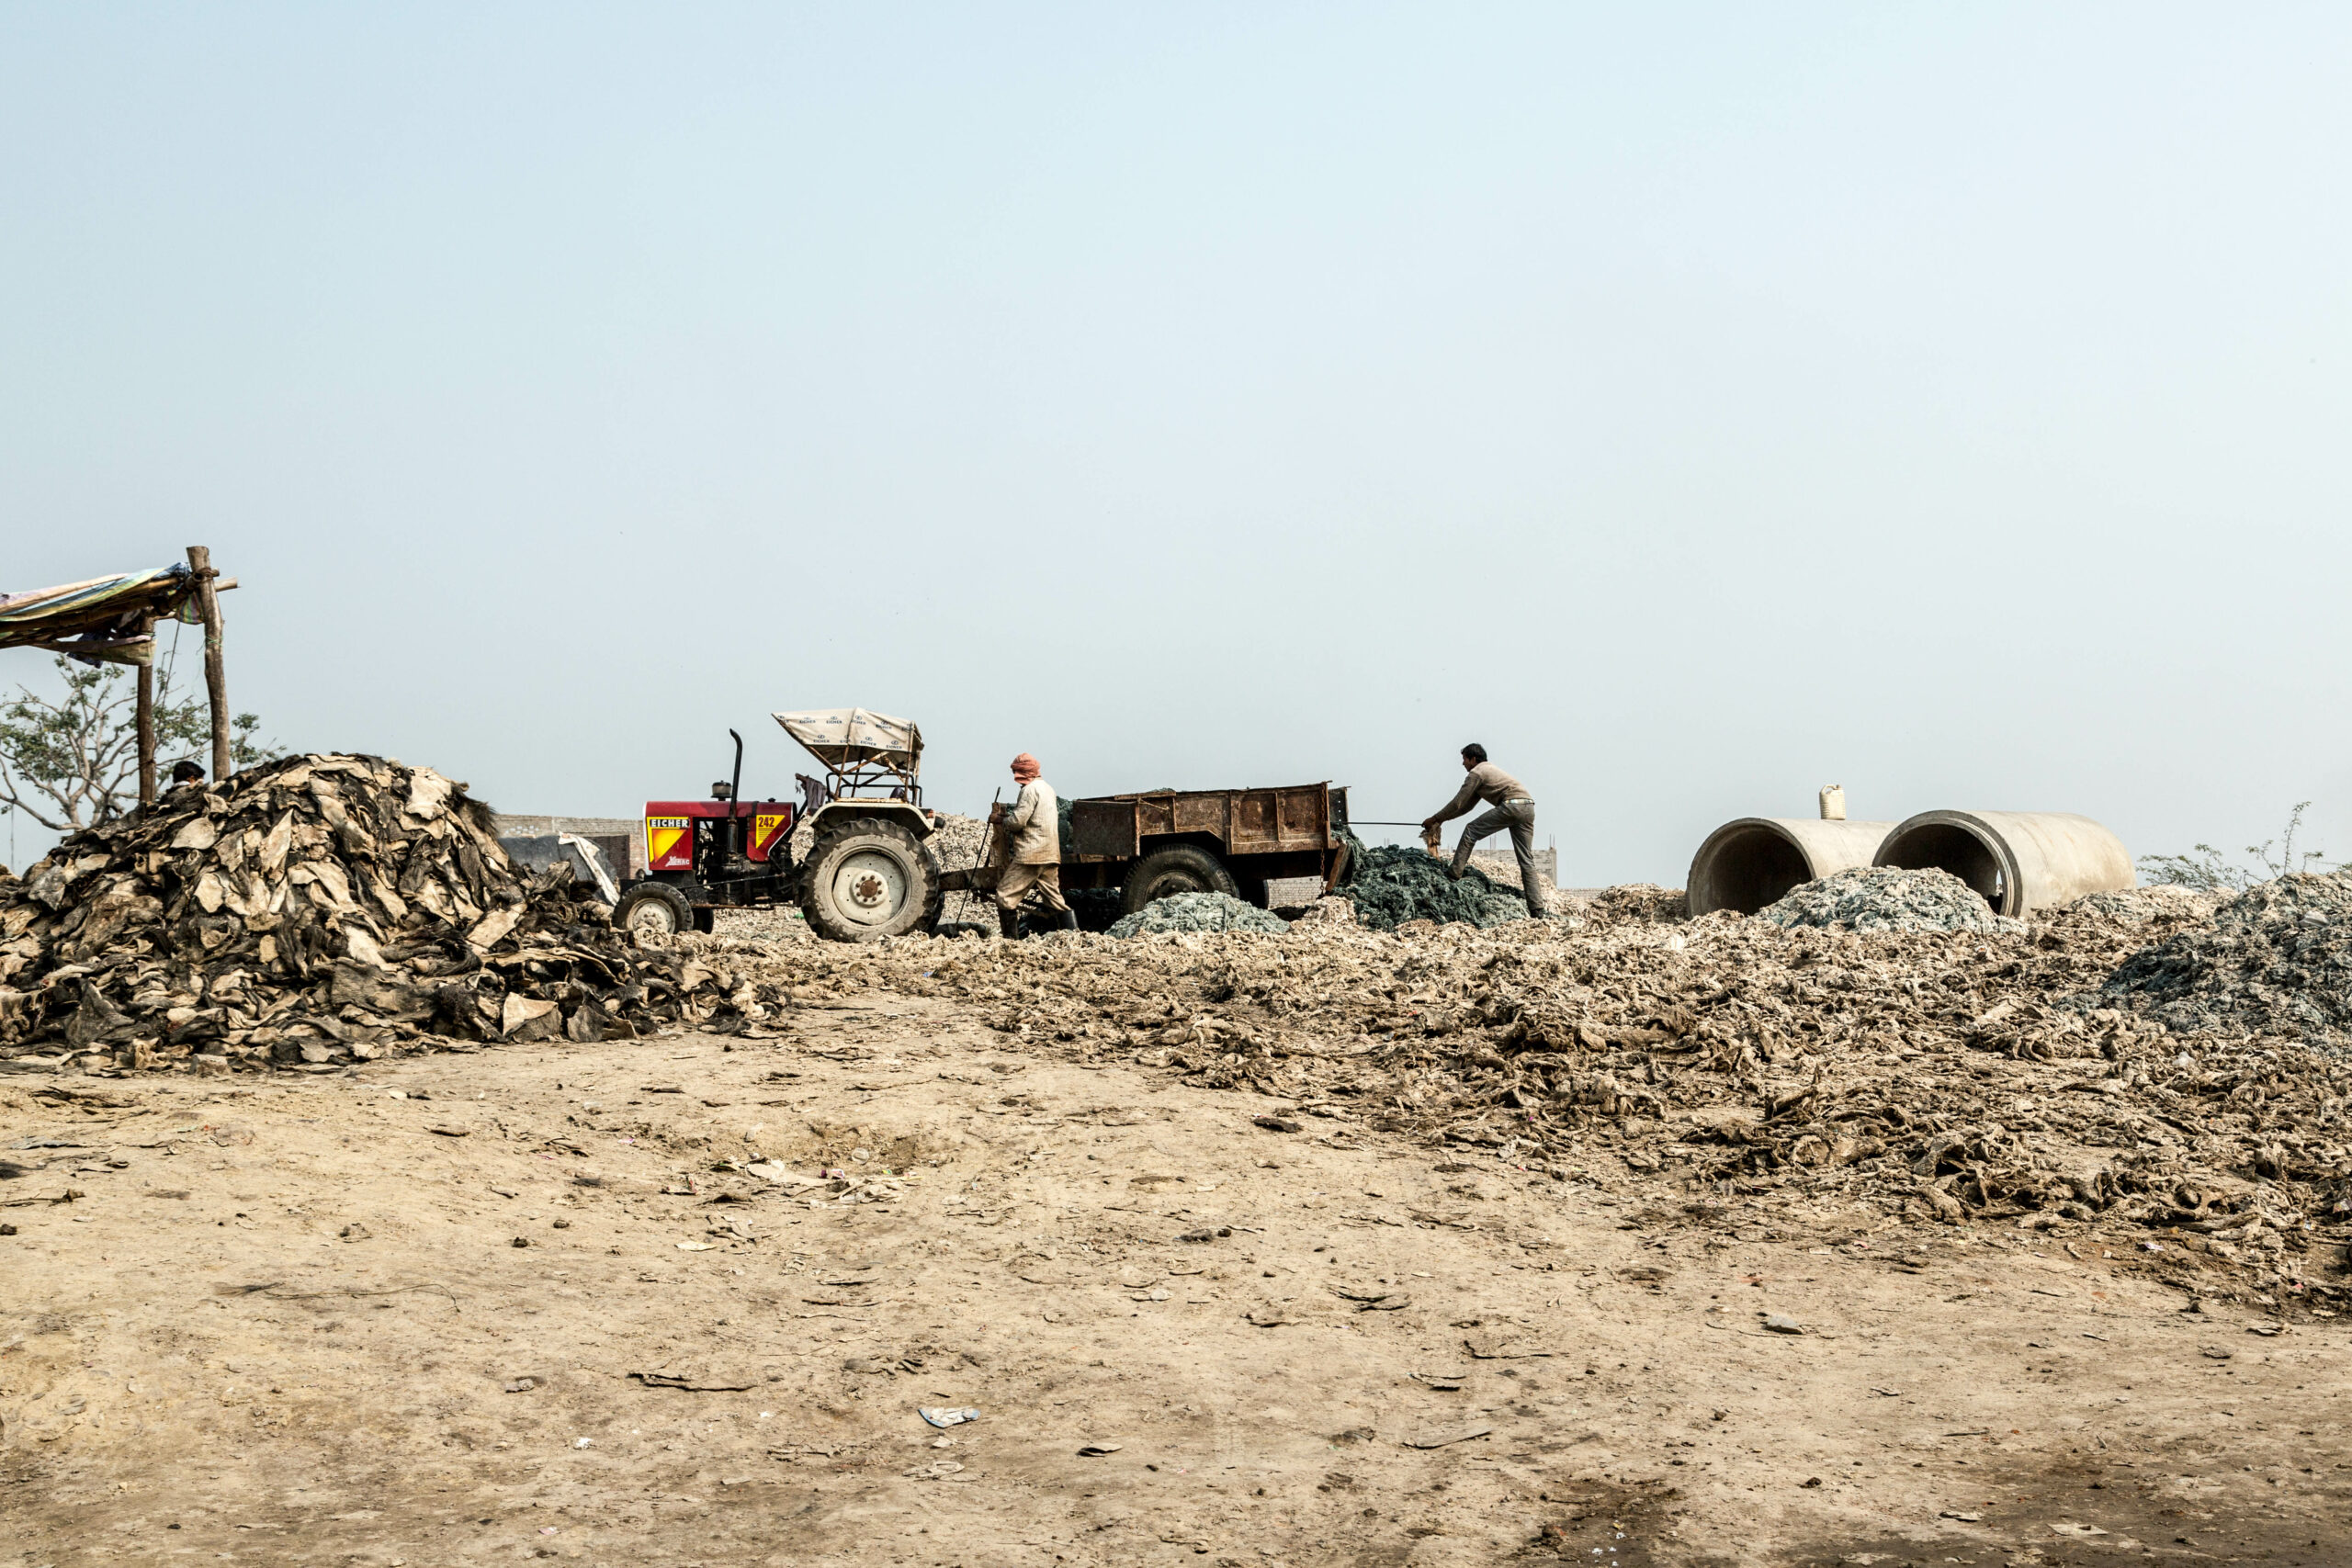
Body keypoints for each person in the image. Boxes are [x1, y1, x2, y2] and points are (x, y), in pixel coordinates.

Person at [1421, 742, 1546, 919]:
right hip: (1527, 807)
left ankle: (1453, 873)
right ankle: (1537, 909)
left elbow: (1458, 802)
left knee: (1471, 830)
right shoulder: (1489, 771)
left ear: (1473, 759)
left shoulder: (1477, 773)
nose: (1463, 763)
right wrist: (1441, 820)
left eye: (1464, 759)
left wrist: (1434, 819)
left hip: (1511, 806)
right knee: (1526, 860)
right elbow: (1465, 808)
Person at [992, 752, 1075, 939]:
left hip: (1031, 854)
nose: (1015, 776)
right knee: (1054, 899)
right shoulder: (1048, 789)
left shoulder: (1029, 790)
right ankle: (1073, 937)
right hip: (1051, 853)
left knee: (1004, 896)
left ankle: (1010, 943)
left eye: (1017, 771)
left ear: (1024, 772)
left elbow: (1017, 822)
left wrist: (999, 819)